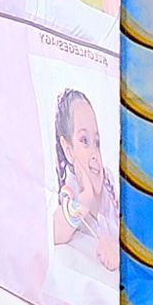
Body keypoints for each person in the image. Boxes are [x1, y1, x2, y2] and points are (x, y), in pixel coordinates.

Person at [49, 86, 115, 252]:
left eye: (96, 142)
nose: (94, 154)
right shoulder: (70, 190)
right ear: (68, 150)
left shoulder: (109, 182)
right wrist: (86, 196)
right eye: (84, 141)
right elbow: (54, 233)